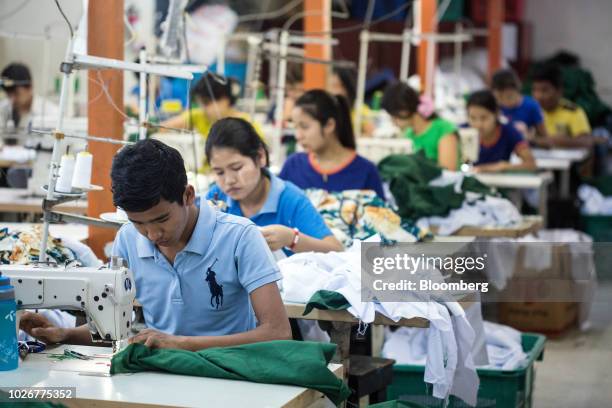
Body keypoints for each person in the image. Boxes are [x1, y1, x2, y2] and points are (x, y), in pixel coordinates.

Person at [19, 139, 291, 350]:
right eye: (139, 222)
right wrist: (66, 334)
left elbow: (278, 332)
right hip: (160, 371)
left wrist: (182, 345)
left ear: (187, 195)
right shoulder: (128, 238)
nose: (151, 234)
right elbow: (119, 328)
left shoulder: (240, 237)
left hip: (228, 373)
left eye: (161, 219)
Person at [205, 117, 343, 255]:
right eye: (219, 172)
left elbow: (337, 250)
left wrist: (292, 239)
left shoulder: (290, 200)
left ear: (260, 157)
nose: (229, 180)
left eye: (237, 168)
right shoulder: (216, 198)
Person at [279, 89, 385, 198]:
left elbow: (380, 213)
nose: (298, 135)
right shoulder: (293, 166)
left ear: (329, 125)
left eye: (304, 127)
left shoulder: (366, 171)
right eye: (295, 127)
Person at [381, 82, 459, 170]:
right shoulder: (408, 134)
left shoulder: (443, 130)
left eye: (394, 116)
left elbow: (449, 172)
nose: (393, 122)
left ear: (404, 111)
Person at [161, 72, 262, 139]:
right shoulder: (199, 116)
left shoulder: (246, 125)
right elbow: (163, 128)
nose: (203, 108)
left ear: (225, 99)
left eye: (206, 103)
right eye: (200, 103)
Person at [467, 90, 536, 172]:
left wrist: (503, 166)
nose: (478, 124)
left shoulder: (509, 132)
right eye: (473, 118)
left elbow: (531, 164)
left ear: (496, 114)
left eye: (484, 118)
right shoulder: (463, 132)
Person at [531, 64, 593, 148]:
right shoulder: (530, 109)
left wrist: (562, 141)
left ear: (559, 91)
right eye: (535, 90)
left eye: (544, 90)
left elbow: (586, 142)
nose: (538, 96)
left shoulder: (572, 111)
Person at [1, 62, 59, 137]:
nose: (12, 100)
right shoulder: (3, 109)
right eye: (8, 95)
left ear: (30, 87)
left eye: (16, 93)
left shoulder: (51, 114)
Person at [491, 68, 547, 139]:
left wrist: (530, 138)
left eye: (508, 96)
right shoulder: (495, 107)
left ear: (515, 90)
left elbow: (545, 138)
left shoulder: (532, 106)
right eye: (499, 98)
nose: (502, 101)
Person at [328, 67, 375, 136]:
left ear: (348, 88)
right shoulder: (327, 109)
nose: (333, 91)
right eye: (331, 86)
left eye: (337, 86)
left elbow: (370, 134)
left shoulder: (360, 110)